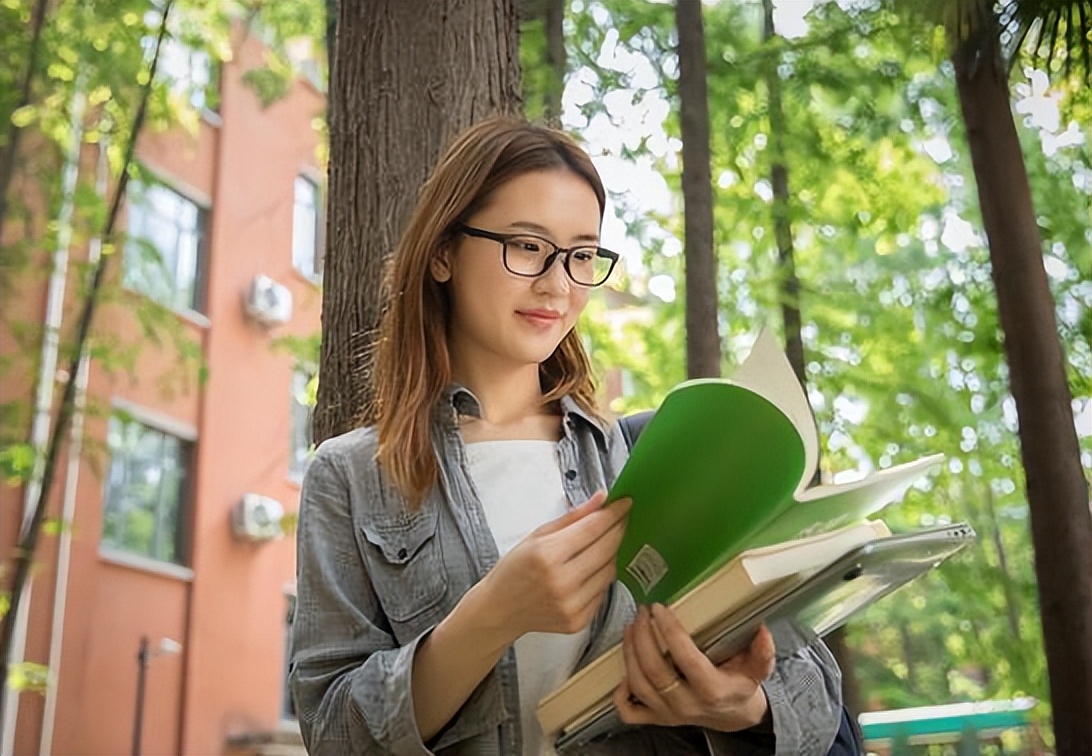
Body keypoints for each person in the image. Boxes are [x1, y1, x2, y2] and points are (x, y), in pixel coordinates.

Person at [288, 116, 844, 756]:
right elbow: (331, 733)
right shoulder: (351, 475)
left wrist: (741, 705)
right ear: (443, 252)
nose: (558, 283)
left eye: (582, 255)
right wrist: (491, 614)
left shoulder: (644, 455)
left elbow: (814, 691)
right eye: (527, 246)